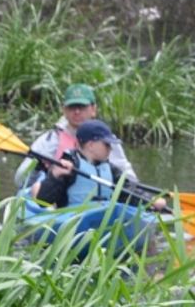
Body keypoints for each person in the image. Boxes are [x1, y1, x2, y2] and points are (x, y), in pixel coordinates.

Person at [14, 83, 137, 188]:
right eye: (72, 107)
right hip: (58, 203)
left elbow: (129, 178)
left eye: (82, 107)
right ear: (64, 110)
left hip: (101, 201)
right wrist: (38, 168)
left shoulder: (108, 140)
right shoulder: (50, 140)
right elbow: (20, 179)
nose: (77, 112)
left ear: (93, 109)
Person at [32, 120, 166, 211]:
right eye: (106, 144)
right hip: (72, 222)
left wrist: (150, 201)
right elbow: (43, 201)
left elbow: (128, 191)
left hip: (102, 220)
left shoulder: (110, 170)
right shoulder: (67, 165)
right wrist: (55, 176)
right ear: (90, 145)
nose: (110, 149)